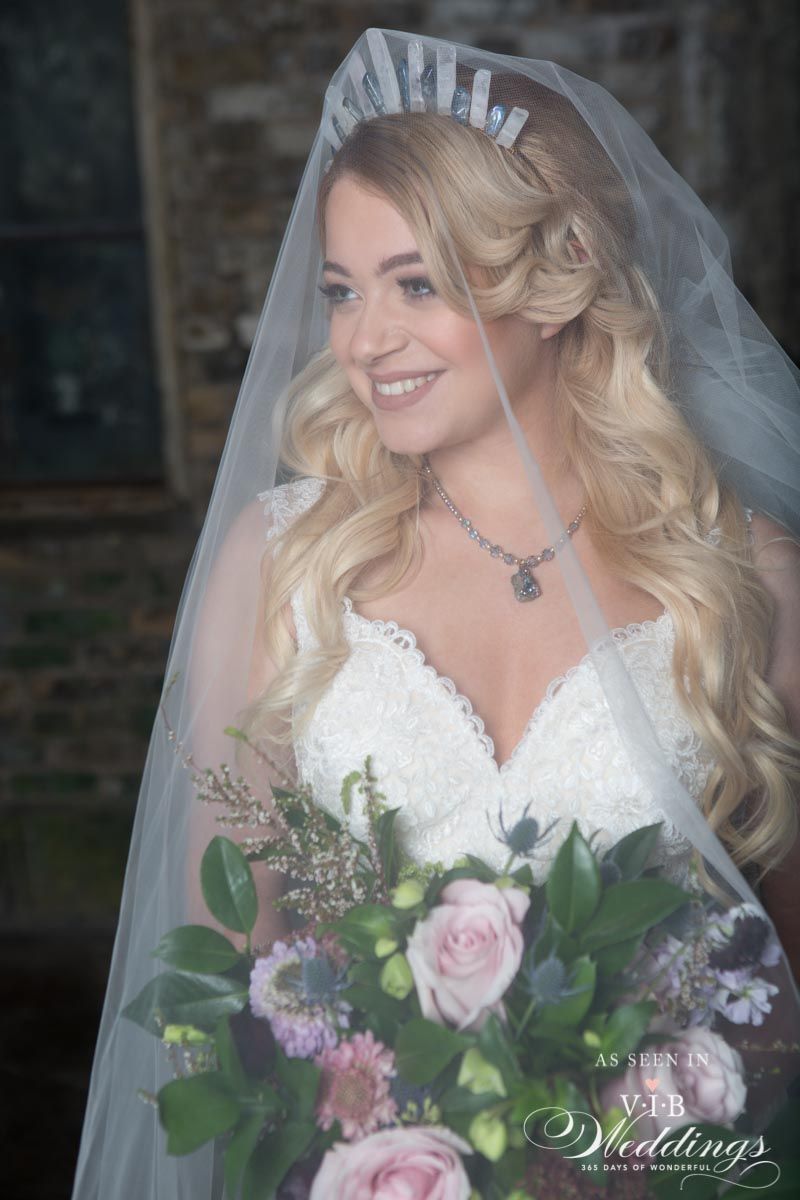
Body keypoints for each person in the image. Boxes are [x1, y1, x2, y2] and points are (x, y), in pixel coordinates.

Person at [72, 30, 800, 1199]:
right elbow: (229, 969)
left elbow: (780, 997)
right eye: (342, 291)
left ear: (555, 276)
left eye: (418, 284)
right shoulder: (287, 568)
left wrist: (613, 1151)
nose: (363, 341)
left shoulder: (748, 587)